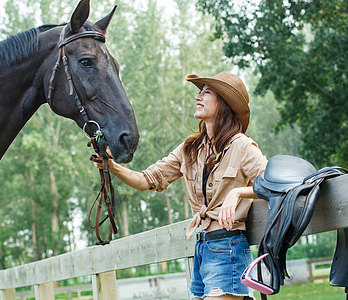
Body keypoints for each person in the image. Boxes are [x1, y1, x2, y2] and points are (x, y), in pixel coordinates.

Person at [94, 71, 267, 300]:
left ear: (224, 103)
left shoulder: (241, 146)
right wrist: (111, 165)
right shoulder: (190, 149)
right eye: (200, 91)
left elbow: (271, 183)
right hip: (202, 249)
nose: (198, 96)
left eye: (207, 92)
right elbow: (147, 180)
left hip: (228, 249)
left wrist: (237, 193)